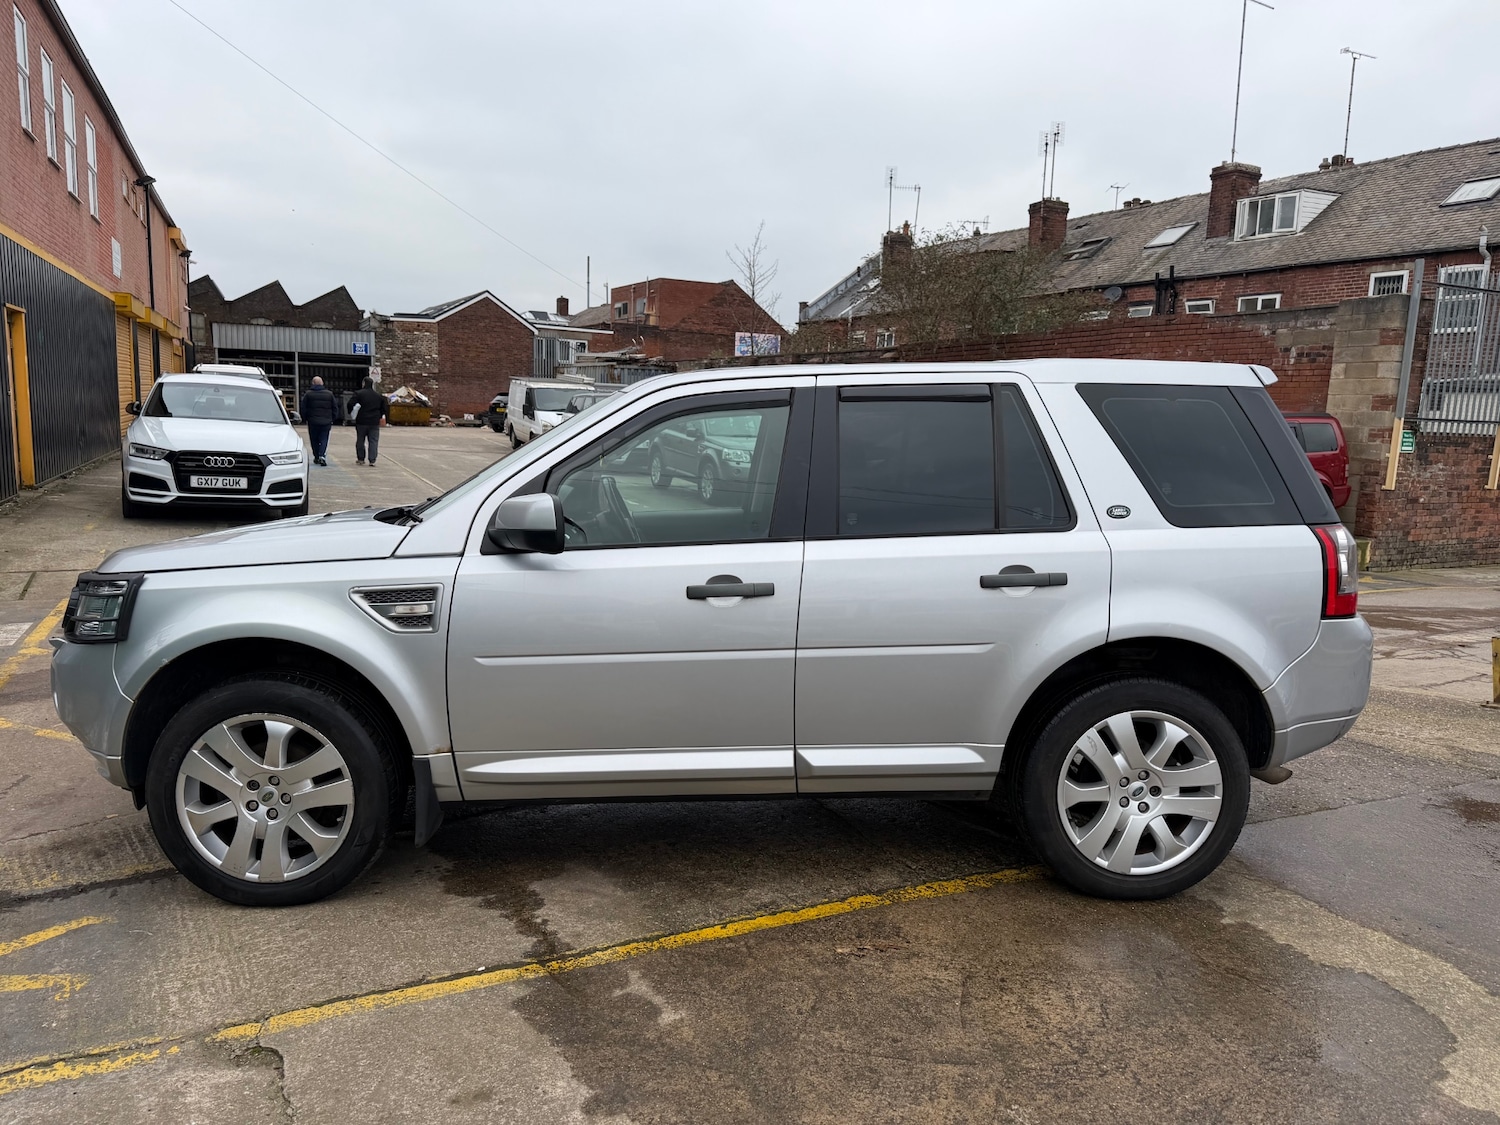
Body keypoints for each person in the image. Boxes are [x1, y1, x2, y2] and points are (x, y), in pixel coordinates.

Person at [349, 377, 389, 466]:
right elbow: (384, 409)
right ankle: (372, 460)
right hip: (374, 422)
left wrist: (352, 413)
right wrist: (378, 416)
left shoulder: (358, 394)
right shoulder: (378, 396)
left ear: (364, 383)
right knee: (373, 441)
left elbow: (350, 404)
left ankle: (361, 458)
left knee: (360, 440)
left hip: (361, 421)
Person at [299, 376, 337, 466]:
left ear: (313, 383)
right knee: (324, 439)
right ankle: (322, 456)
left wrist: (304, 419)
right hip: (326, 422)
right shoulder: (329, 394)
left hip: (313, 421)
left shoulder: (308, 394)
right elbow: (335, 408)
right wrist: (333, 418)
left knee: (314, 440)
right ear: (322, 383)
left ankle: (316, 456)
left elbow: (303, 408)